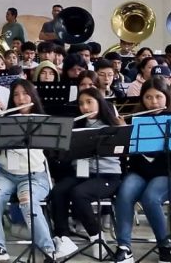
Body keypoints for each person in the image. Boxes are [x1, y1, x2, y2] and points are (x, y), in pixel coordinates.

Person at [47, 88, 124, 259]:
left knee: (79, 193)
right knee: (58, 191)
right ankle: (63, 238)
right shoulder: (77, 125)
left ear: (99, 103)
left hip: (107, 175)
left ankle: (97, 238)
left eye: (89, 102)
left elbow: (123, 151)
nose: (85, 107)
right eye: (81, 104)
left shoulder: (112, 125)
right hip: (81, 173)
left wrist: (122, 130)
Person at [0, 79, 53, 262]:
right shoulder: (6, 119)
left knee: (27, 200)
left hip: (34, 175)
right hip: (6, 174)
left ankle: (48, 249)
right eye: (16, 95)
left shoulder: (41, 121)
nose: (21, 99)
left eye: (25, 94)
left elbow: (20, 145)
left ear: (32, 96)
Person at [113, 77, 171, 263]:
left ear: (167, 97)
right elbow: (124, 152)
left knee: (150, 198)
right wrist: (123, 133)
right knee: (124, 194)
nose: (154, 102)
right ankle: (124, 247)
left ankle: (164, 245)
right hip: (140, 172)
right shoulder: (135, 120)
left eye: (158, 97)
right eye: (148, 97)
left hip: (168, 173)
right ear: (142, 99)